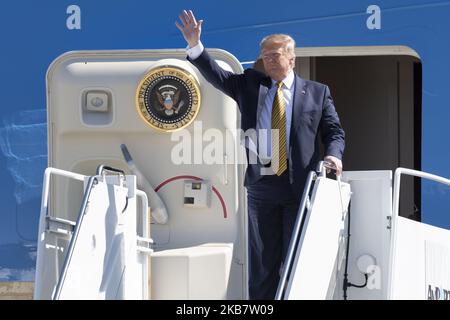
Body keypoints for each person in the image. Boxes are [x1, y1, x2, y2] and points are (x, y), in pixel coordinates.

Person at [176, 10, 345, 299]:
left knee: (297, 263)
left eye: (275, 54)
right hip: (262, 184)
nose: (268, 59)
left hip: (300, 187)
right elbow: (218, 75)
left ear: (292, 58)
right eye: (265, 55)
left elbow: (334, 131)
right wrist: (195, 45)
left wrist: (334, 155)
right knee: (263, 265)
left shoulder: (317, 93)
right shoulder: (250, 84)